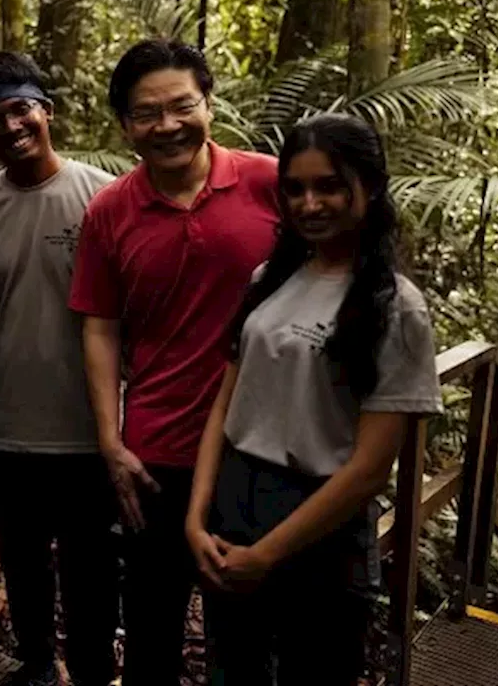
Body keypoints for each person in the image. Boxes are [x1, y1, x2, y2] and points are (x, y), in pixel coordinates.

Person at [185, 115, 442, 685]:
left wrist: (268, 554)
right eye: (296, 189)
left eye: (328, 185)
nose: (310, 203)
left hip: (320, 529)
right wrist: (197, 516)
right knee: (232, 672)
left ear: (369, 187)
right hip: (236, 501)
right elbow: (224, 406)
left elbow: (370, 468)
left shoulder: (395, 308)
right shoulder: (269, 279)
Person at [67, 39, 279, 684]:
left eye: (182, 106)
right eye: (146, 115)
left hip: (257, 449)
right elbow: (100, 329)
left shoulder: (271, 182)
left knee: (244, 636)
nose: (167, 126)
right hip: (155, 454)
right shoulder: (109, 210)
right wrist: (111, 441)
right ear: (125, 125)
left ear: (208, 104)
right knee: (153, 627)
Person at [0, 52, 119, 686]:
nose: (12, 127)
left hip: (90, 426)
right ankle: (34, 666)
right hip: (8, 420)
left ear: (46, 110)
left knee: (92, 569)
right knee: (22, 563)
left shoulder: (103, 197)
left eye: (21, 109)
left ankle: (89, 670)